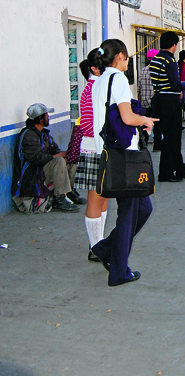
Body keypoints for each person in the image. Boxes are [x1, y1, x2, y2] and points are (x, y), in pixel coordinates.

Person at [90, 39, 156, 287]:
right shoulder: (117, 79)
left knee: (143, 208)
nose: (128, 62)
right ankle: (118, 271)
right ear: (120, 56)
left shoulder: (99, 81)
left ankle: (104, 249)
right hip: (124, 156)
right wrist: (145, 120)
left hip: (109, 154)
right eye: (127, 57)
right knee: (129, 214)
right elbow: (127, 117)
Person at [74, 48, 109, 263]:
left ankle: (98, 242)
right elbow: (88, 124)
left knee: (103, 199)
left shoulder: (96, 85)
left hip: (100, 147)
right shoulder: (95, 87)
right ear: (95, 68)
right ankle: (95, 246)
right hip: (94, 148)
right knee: (96, 200)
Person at [149, 31, 185, 182]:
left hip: (159, 99)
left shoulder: (155, 59)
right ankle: (166, 173)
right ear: (173, 45)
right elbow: (175, 85)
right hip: (170, 102)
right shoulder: (169, 61)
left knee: (170, 137)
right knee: (172, 139)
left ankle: (180, 168)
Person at [11, 104, 80, 212]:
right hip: (32, 175)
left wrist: (67, 155)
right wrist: (59, 156)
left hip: (41, 171)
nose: (49, 117)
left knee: (71, 160)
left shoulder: (43, 134)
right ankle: (59, 198)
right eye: (47, 115)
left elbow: (55, 150)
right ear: (40, 118)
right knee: (59, 161)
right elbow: (37, 160)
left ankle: (70, 192)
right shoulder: (28, 136)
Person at [138, 48, 163, 150]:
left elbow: (139, 88)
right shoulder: (158, 70)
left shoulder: (142, 71)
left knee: (144, 123)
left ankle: (143, 144)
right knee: (157, 123)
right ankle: (157, 144)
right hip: (155, 101)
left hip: (144, 102)